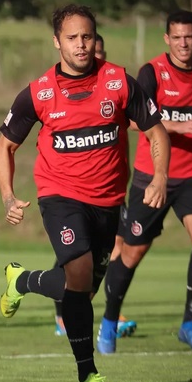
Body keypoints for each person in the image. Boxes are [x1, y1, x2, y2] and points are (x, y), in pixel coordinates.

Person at [0, 4, 170, 382]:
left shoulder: (119, 83)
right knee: (78, 271)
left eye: (87, 37)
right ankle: (89, 375)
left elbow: (157, 134)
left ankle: (21, 280)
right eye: (72, 38)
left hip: (109, 203)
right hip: (59, 196)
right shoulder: (39, 92)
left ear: (96, 39)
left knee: (84, 290)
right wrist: (7, 196)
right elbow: (4, 146)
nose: (81, 44)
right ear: (57, 42)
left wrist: (159, 176)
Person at [98, 10, 192, 354]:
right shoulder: (152, 73)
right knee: (133, 252)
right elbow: (132, 122)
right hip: (152, 177)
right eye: (177, 37)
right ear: (167, 39)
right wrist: (178, 127)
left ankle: (190, 324)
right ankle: (108, 321)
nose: (183, 43)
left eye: (189, 37)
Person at [52, 33, 137, 340]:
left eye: (97, 49)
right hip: (75, 189)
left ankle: (89, 309)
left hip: (110, 186)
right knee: (78, 254)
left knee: (110, 249)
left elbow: (137, 120)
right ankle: (65, 314)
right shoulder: (64, 90)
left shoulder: (116, 84)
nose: (89, 52)